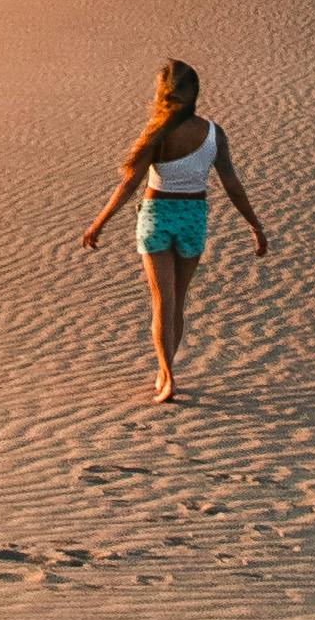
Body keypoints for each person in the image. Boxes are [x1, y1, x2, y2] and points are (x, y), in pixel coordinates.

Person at [77, 56, 269, 402]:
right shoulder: (214, 134)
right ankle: (166, 371)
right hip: (193, 216)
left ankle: (167, 375)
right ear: (195, 92)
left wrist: (98, 223)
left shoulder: (157, 132)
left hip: (157, 214)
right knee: (176, 301)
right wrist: (255, 226)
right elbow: (232, 185)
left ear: (163, 94)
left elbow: (129, 185)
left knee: (161, 301)